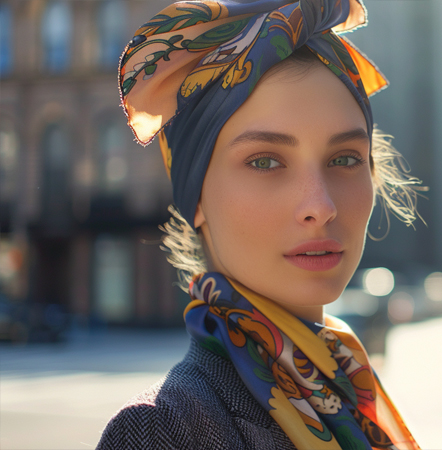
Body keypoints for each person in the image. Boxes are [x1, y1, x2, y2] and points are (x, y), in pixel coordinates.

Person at [97, 0, 422, 448]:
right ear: (196, 197)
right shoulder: (163, 431)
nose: (320, 205)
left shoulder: (347, 386)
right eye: (265, 161)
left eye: (345, 159)